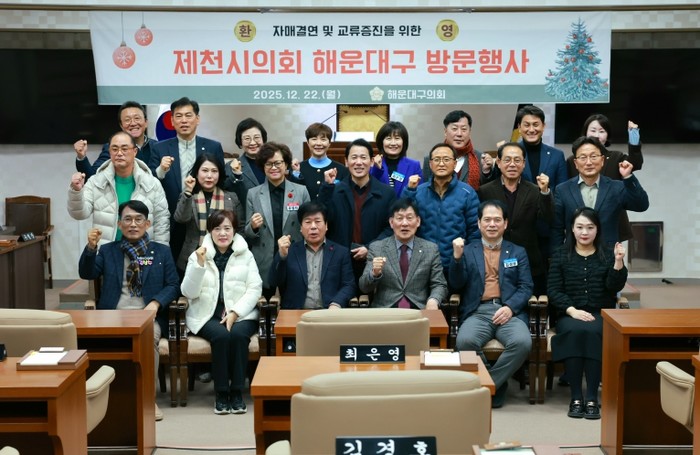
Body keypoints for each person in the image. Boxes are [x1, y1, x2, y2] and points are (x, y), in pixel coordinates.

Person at [78, 200, 179, 422]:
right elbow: (87, 273)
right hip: (112, 314)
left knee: (148, 338)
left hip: (146, 315)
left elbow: (173, 285)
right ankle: (102, 397)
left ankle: (147, 399)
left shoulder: (161, 252)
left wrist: (155, 304)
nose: (133, 224)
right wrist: (91, 248)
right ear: (119, 224)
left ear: (147, 223)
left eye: (139, 219)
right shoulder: (108, 251)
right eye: (128, 219)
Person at [450, 200, 533, 408]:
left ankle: (488, 386)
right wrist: (457, 259)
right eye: (487, 220)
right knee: (465, 342)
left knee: (523, 342)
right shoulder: (468, 250)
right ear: (479, 224)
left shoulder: (518, 252)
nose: (492, 224)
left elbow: (526, 286)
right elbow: (456, 284)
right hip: (478, 311)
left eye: (497, 220)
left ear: (505, 223)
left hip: (509, 312)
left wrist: (510, 307)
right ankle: (497, 385)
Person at [547, 207, 628, 419]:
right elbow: (553, 290)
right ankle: (576, 397)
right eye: (580, 227)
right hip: (569, 314)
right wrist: (572, 311)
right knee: (576, 331)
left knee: (593, 331)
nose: (585, 232)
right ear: (572, 229)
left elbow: (613, 287)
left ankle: (591, 397)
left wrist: (618, 262)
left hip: (600, 314)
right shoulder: (560, 255)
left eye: (590, 227)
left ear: (597, 229)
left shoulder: (608, 254)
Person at [181, 209, 262, 415]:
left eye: (227, 228)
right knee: (221, 336)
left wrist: (235, 312)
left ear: (235, 231)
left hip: (241, 312)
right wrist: (199, 266)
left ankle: (237, 392)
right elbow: (188, 292)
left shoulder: (246, 254)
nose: (223, 233)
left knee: (238, 335)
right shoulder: (198, 255)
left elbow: (255, 288)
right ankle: (222, 392)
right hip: (207, 312)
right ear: (210, 231)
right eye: (217, 229)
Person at [149, 97, 226, 264]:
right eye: (178, 116)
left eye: (188, 115)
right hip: (170, 219)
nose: (184, 120)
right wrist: (161, 170)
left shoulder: (213, 147)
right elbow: (150, 184)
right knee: (172, 267)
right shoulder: (159, 148)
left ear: (197, 119)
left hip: (203, 220)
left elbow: (221, 181)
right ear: (172, 121)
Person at [68, 131, 169, 247]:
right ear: (109, 152)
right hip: (107, 251)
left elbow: (162, 221)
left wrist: (161, 252)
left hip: (143, 251)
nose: (119, 153)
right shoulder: (96, 181)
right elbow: (79, 214)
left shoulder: (151, 183)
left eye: (124, 149)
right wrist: (76, 191)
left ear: (135, 151)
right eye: (115, 149)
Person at [478, 142, 552, 296]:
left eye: (517, 160)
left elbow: (548, 217)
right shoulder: (485, 190)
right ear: (498, 163)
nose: (512, 164)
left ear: (523, 164)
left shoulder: (534, 190)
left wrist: (545, 192)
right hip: (494, 260)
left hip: (529, 259)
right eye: (507, 160)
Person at [318, 138, 396, 283]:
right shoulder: (334, 191)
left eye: (363, 157)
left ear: (371, 162)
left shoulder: (387, 193)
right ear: (346, 162)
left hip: (375, 261)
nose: (358, 162)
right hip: (339, 262)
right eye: (354, 157)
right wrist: (326, 188)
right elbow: (322, 220)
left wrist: (370, 248)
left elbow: (390, 228)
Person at [552, 136, 649, 249]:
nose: (589, 162)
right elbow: (556, 229)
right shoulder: (562, 190)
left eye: (593, 156)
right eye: (583, 157)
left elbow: (641, 205)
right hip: (573, 256)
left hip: (608, 255)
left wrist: (628, 177)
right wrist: (557, 257)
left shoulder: (616, 187)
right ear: (576, 163)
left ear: (602, 160)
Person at [403, 143, 480, 283]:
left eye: (446, 159)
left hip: (456, 262)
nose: (441, 163)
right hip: (423, 263)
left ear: (454, 163)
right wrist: (409, 191)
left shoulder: (467, 193)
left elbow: (475, 231)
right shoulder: (419, 191)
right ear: (430, 164)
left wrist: (468, 258)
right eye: (437, 159)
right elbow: (403, 220)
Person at [244, 142, 310, 299]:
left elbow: (308, 225)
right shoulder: (253, 194)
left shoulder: (301, 191)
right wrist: (253, 226)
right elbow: (247, 233)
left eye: (278, 163)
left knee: (293, 301)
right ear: (263, 166)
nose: (273, 167)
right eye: (268, 164)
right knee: (266, 304)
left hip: (294, 254)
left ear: (286, 164)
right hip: (265, 258)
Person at [566, 114, 643, 242]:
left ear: (607, 136)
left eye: (602, 131)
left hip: (612, 224)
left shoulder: (616, 157)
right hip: (581, 225)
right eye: (593, 130)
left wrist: (633, 135)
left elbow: (635, 163)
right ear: (585, 132)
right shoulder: (573, 161)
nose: (597, 135)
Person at [360, 198, 447, 309]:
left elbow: (439, 284)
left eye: (409, 218)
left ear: (418, 221)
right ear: (391, 222)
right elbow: (364, 287)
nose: (404, 223)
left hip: (418, 310)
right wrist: (374, 274)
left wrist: (433, 300)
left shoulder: (430, 249)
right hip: (385, 311)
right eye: (399, 218)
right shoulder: (377, 248)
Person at [269, 201, 355, 309]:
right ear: (301, 228)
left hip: (330, 312)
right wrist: (281, 256)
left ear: (326, 225)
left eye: (318, 221)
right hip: (296, 313)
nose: (313, 227)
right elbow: (274, 281)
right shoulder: (289, 251)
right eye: (308, 222)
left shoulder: (340, 252)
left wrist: (336, 303)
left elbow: (349, 285)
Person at [173, 153, 244, 275]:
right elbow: (180, 219)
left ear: (220, 174)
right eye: (205, 171)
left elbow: (240, 227)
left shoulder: (231, 197)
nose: (209, 176)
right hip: (193, 256)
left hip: (225, 258)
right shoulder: (189, 196)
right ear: (197, 173)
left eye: (214, 171)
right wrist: (188, 192)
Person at [74, 101, 156, 181]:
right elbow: (93, 177)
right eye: (127, 120)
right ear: (121, 126)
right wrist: (81, 157)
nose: (133, 123)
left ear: (146, 122)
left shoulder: (157, 146)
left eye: (137, 118)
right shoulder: (113, 148)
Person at [421, 110, 495, 191]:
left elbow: (487, 191)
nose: (459, 134)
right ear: (445, 132)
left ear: (469, 132)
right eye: (454, 129)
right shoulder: (431, 159)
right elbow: (427, 190)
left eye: (464, 129)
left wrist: (486, 172)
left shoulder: (480, 158)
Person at [293, 122, 349, 199]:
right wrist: (296, 173)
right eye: (314, 139)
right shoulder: (298, 169)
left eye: (323, 139)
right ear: (308, 143)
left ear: (329, 143)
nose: (318, 143)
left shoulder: (342, 170)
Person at [369, 121, 422, 197]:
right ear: (381, 142)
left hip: (405, 204)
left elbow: (420, 194)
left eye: (397, 138)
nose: (393, 143)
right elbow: (370, 190)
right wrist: (377, 169)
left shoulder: (414, 165)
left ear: (404, 142)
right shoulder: (373, 164)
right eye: (388, 138)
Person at [225, 118, 268, 203]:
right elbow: (228, 193)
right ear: (240, 143)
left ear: (263, 139)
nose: (252, 143)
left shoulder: (274, 163)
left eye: (256, 137)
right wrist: (236, 175)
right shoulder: (230, 166)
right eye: (247, 138)